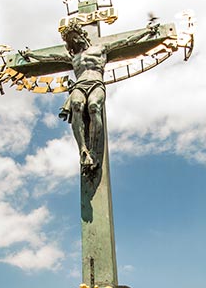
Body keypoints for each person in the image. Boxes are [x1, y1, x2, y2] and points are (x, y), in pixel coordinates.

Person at [22, 21, 157, 174]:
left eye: (74, 38)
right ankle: (83, 151)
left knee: (94, 107)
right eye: (70, 41)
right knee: (77, 105)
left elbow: (126, 41)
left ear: (81, 36)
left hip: (96, 83)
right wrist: (31, 55)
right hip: (80, 85)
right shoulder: (73, 57)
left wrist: (146, 32)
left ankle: (94, 150)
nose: (73, 42)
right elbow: (50, 58)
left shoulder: (100, 49)